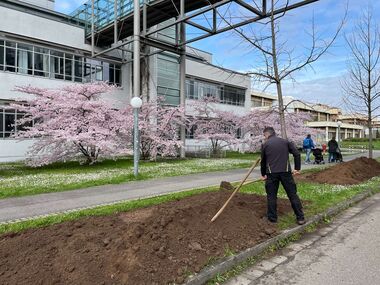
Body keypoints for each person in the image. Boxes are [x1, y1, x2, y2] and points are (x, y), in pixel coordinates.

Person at [261, 127, 305, 225]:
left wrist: (263, 174)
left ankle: (272, 219)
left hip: (271, 174)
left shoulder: (265, 145)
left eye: (264, 136)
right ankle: (300, 218)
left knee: (271, 196)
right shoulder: (285, 142)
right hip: (286, 172)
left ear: (267, 134)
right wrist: (297, 168)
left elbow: (263, 161)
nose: (264, 138)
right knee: (292, 194)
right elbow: (297, 154)